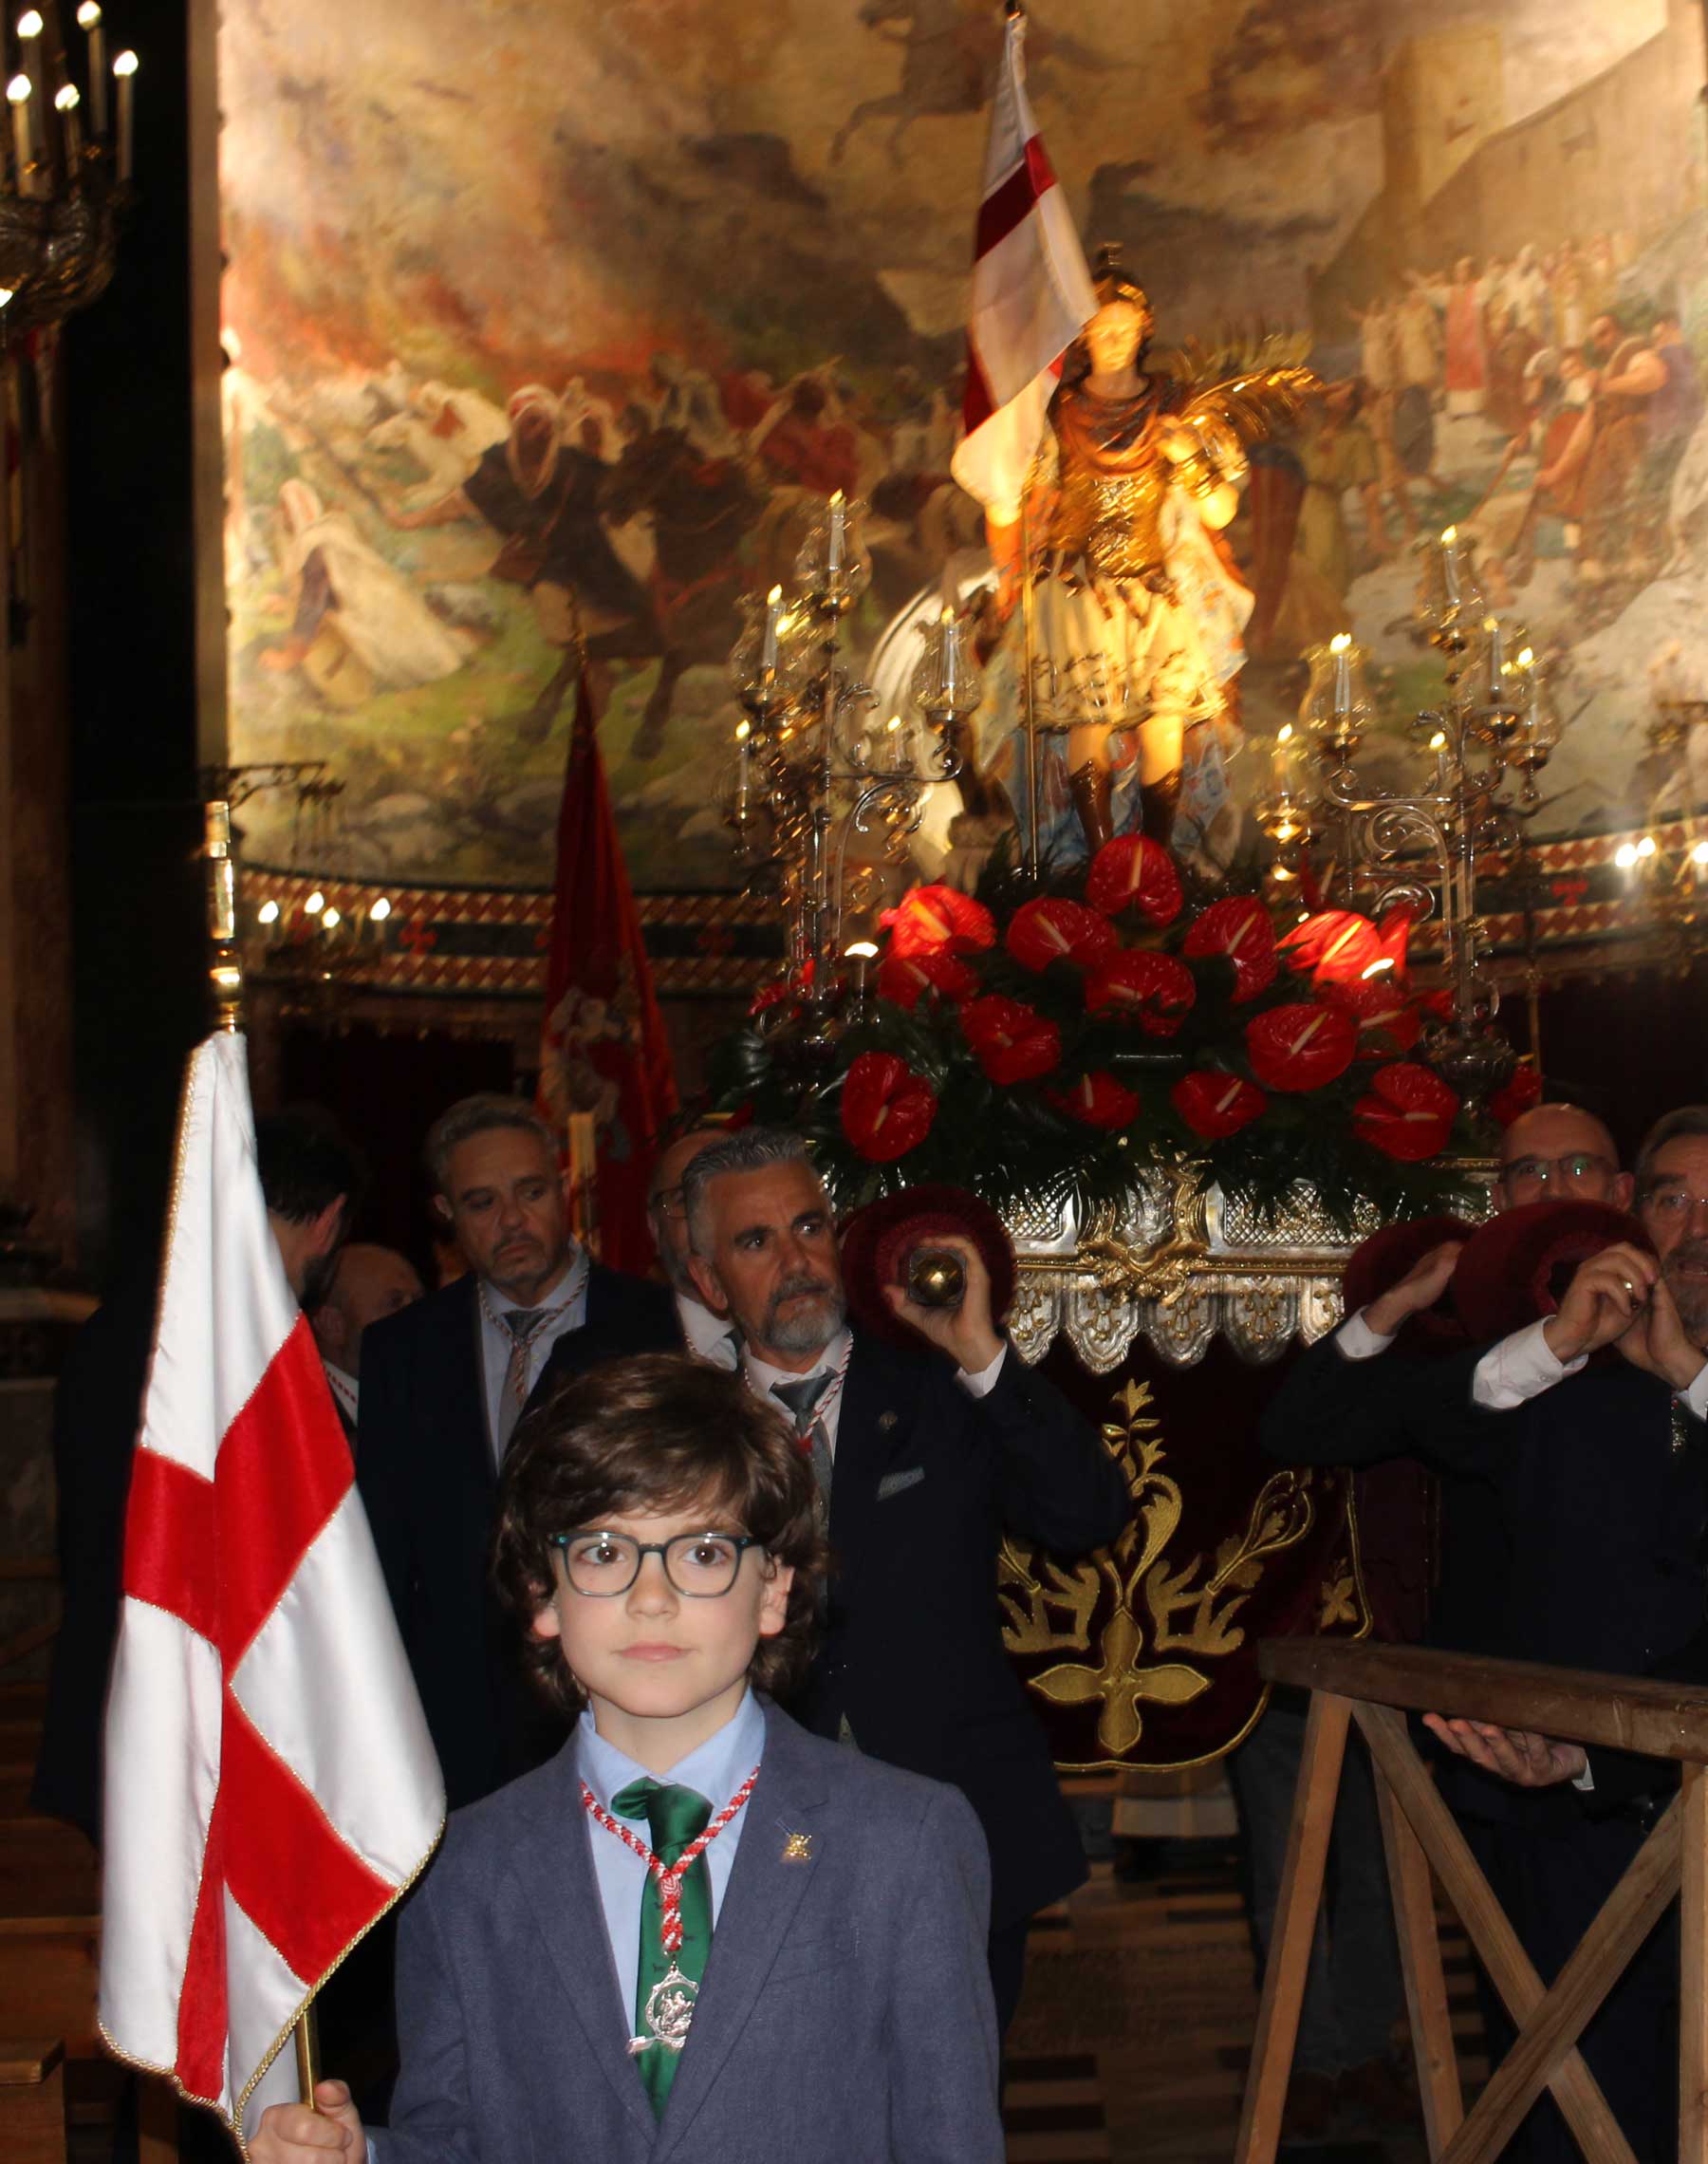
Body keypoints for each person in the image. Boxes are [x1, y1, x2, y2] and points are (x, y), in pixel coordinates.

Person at [251, 1355, 1005, 2164]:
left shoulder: (902, 1843)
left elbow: (949, 2138)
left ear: (774, 1588)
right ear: (545, 1593)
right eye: (607, 1553)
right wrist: (360, 2157)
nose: (653, 1598)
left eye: (704, 1552)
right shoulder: (465, 1872)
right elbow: (457, 2140)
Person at [1315, 1107, 1708, 2164]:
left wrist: (1695, 1382)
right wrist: (1558, 1343)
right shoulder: (1572, 1373)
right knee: (1561, 2115)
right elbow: (1389, 1425)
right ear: (1633, 1217)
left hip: (1646, 1793)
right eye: (1674, 1198)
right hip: (1562, 1818)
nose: (1697, 1227)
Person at [678, 1126, 1130, 2034]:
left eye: (810, 1226)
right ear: (709, 1282)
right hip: (758, 1836)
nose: (798, 1259)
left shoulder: (941, 1386)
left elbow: (1089, 1515)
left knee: (951, 2110)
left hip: (952, 1817)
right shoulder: (688, 1428)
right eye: (756, 1241)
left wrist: (983, 1353)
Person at [33, 1108, 363, 1842]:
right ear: (329, 1223)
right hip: (230, 1732)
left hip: (121, 1709)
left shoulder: (118, 1328)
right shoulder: (262, 1346)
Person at [357, 1094, 676, 1808]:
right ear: (444, 1212)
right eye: (481, 1202)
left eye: (530, 1192)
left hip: (623, 1697)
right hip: (453, 1725)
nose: (511, 1221)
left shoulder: (656, 1325)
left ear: (563, 1188)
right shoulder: (403, 1350)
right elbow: (384, 1547)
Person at [986, 247, 1262, 855]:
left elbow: (1221, 511)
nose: (1110, 335)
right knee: (1092, 717)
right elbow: (1019, 501)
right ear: (1082, 334)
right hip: (1075, 585)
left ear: (1144, 329)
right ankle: (1103, 859)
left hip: (1154, 584)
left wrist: (1186, 456)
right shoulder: (1056, 411)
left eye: (1122, 324)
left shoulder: (1178, 405)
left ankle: (1157, 859)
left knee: (1166, 715)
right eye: (1098, 325)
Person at [645, 1119, 741, 1370]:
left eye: (729, 1196)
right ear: (655, 1228)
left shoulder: (822, 1324)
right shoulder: (614, 1355)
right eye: (686, 1199)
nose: (708, 1218)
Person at [308, 1242, 424, 1439]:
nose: (419, 1319)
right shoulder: (303, 1421)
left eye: (419, 1301)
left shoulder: (433, 1394)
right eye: (394, 1303)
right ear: (333, 1325)